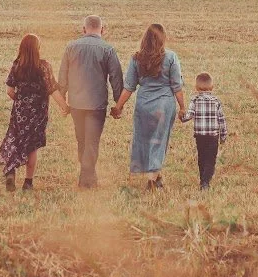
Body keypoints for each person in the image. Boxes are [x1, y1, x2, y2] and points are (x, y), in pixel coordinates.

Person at [111, 23, 185, 189]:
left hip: (144, 104)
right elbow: (177, 86)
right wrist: (182, 108)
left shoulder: (136, 59)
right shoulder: (171, 57)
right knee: (159, 139)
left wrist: (119, 106)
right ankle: (152, 179)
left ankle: (156, 176)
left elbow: (129, 86)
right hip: (164, 104)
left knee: (143, 139)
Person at [57, 15, 124, 188]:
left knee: (82, 140)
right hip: (97, 103)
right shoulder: (108, 49)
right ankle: (87, 178)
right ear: (103, 29)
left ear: (83, 29)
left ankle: (87, 176)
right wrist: (118, 103)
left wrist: (62, 100)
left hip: (76, 102)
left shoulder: (70, 47)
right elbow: (116, 78)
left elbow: (62, 75)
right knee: (92, 142)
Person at [0, 34, 70, 192]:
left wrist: (21, 101)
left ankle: (10, 172)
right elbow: (53, 90)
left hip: (20, 112)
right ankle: (28, 183)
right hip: (38, 114)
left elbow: (10, 91)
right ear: (38, 49)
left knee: (14, 141)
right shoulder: (44, 66)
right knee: (32, 147)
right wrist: (64, 106)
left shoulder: (17, 65)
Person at [180, 72, 228, 189]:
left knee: (201, 156)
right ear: (212, 87)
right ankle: (206, 181)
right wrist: (223, 136)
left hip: (200, 135)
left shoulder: (194, 100)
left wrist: (182, 117)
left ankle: (203, 179)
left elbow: (189, 115)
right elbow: (221, 119)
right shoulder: (216, 101)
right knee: (211, 158)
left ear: (196, 87)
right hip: (213, 135)